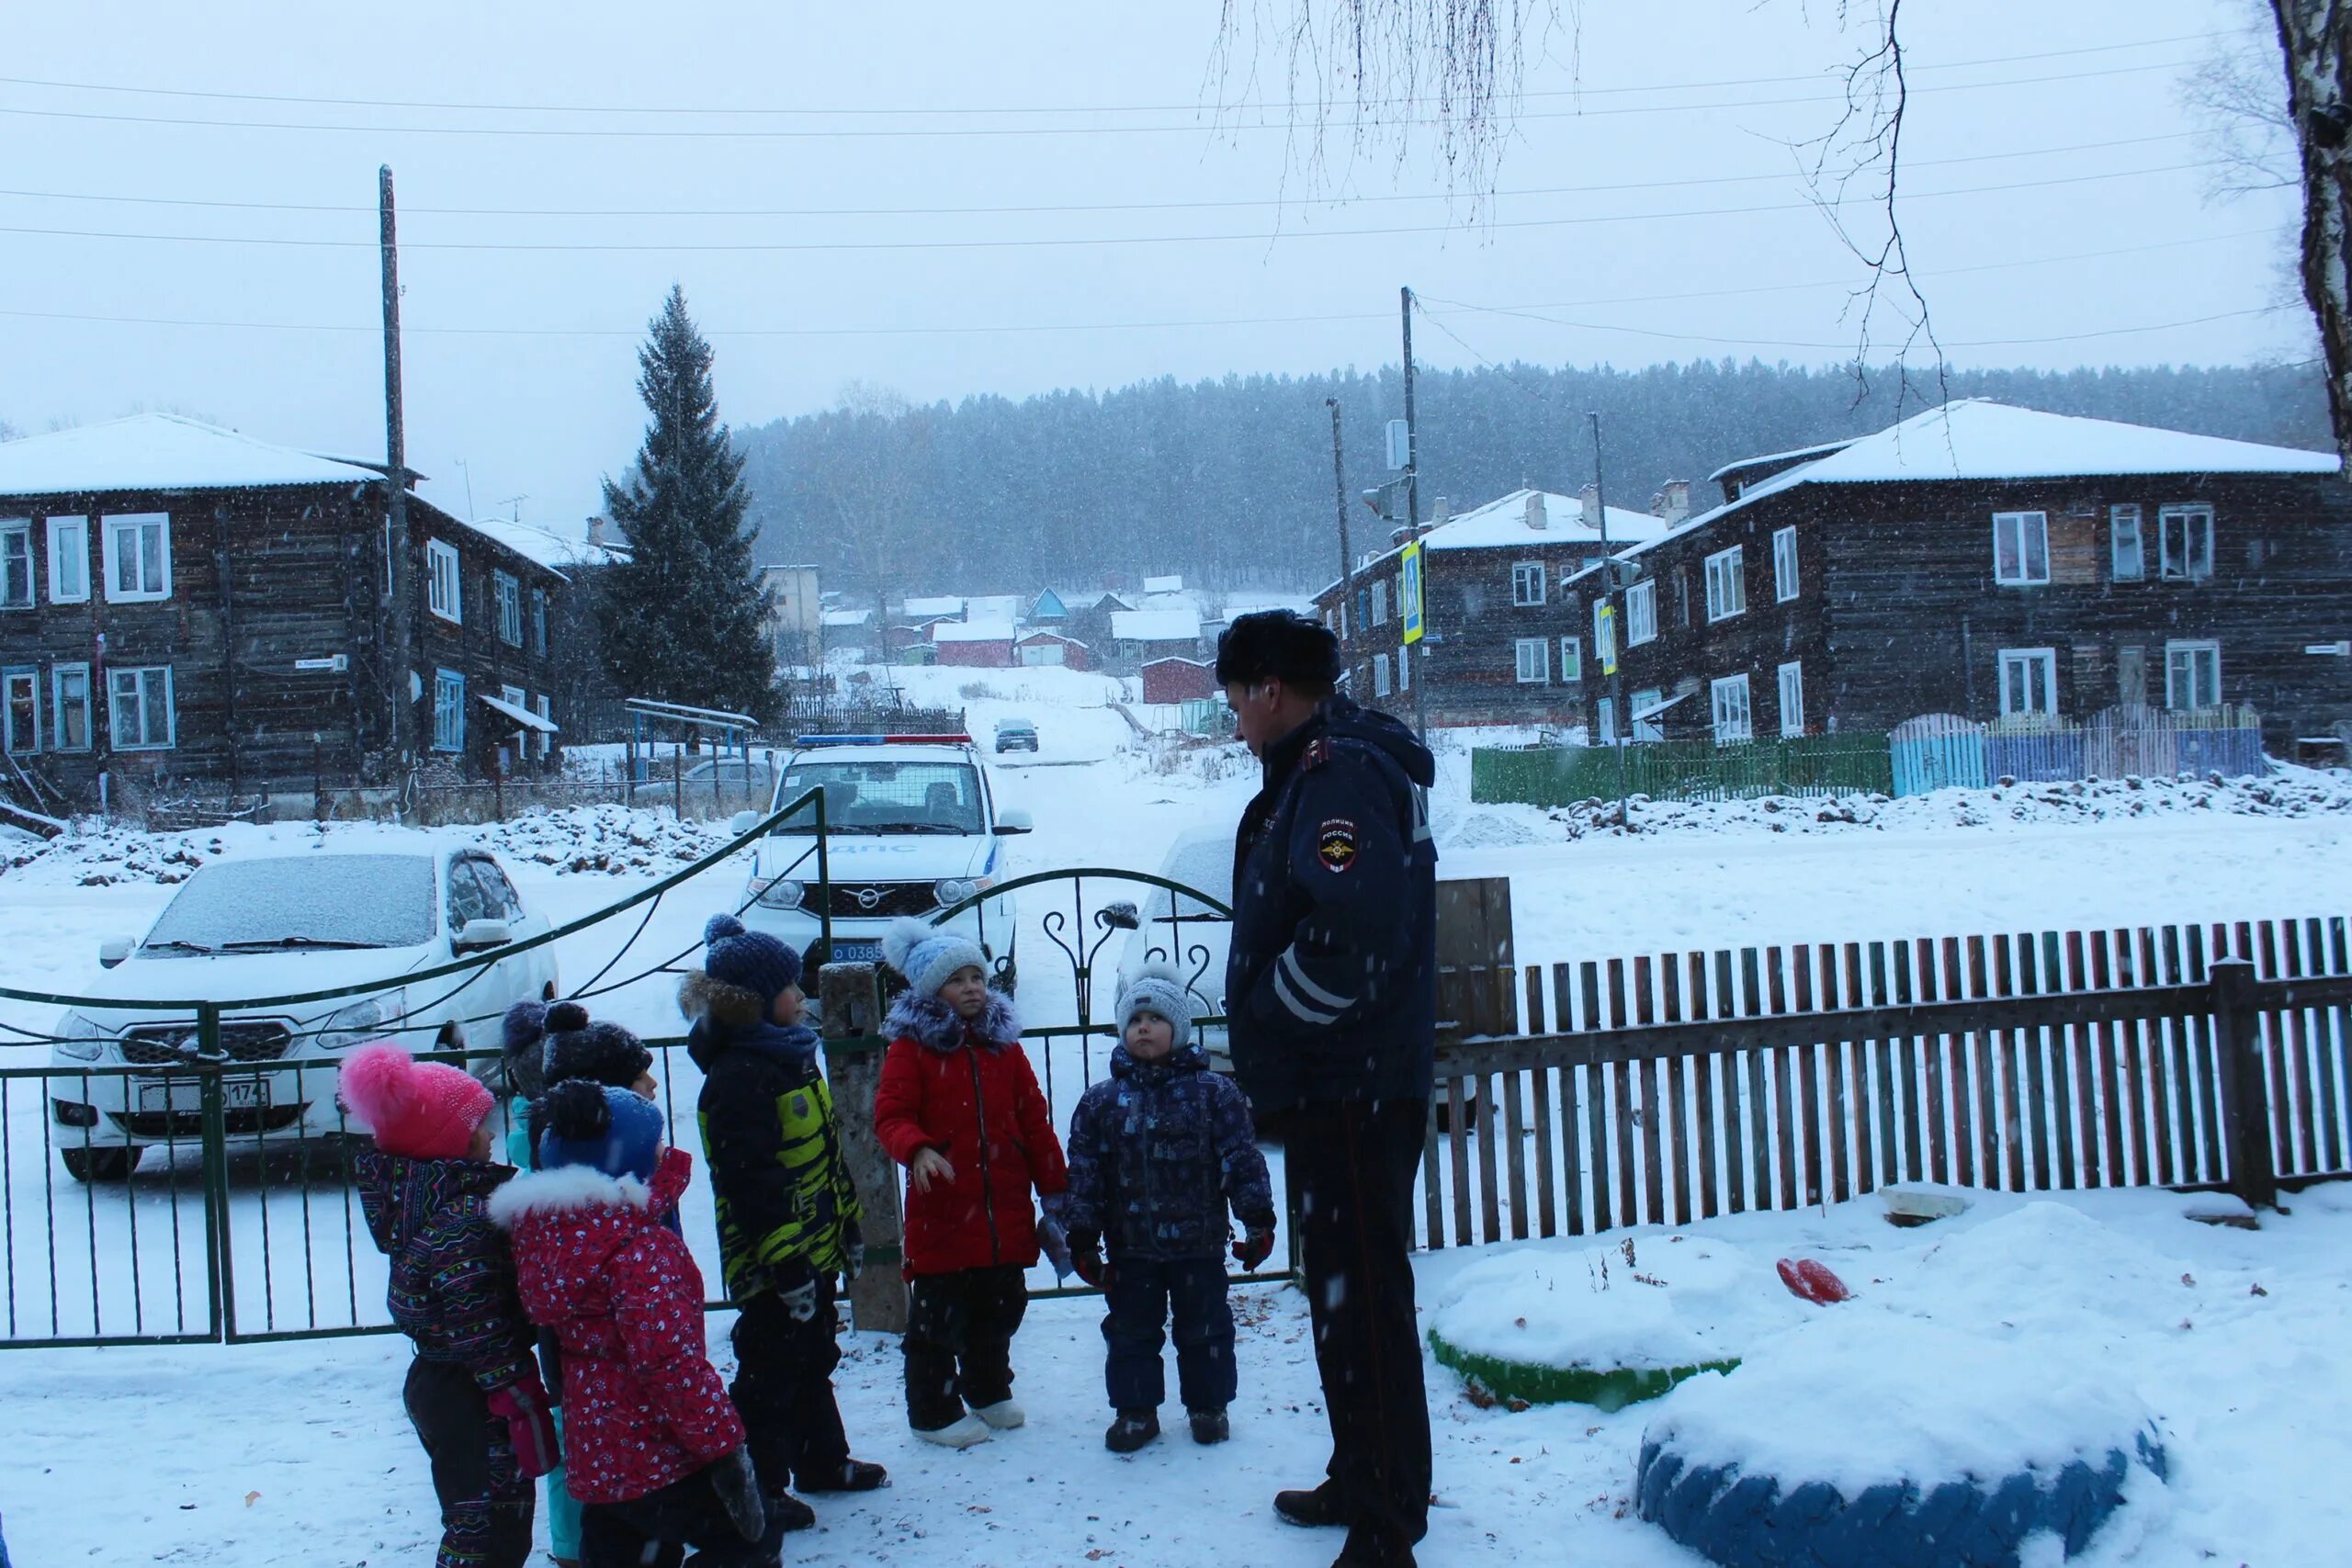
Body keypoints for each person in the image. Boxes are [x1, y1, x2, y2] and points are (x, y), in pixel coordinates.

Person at [1216, 609, 1438, 1568]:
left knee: (1366, 1302)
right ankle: (1361, 1477)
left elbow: (1350, 931)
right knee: (1343, 1297)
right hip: (1335, 1084)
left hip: (1351, 1083)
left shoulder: (1336, 773)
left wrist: (1268, 1011)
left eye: (1233, 694)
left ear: (1270, 688)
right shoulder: (1315, 765)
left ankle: (1389, 1519)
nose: (1229, 715)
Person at [491, 1079, 781, 1568]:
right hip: (658, 1452)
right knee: (750, 1542)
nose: (666, 1150)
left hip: (597, 1453)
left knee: (624, 1552)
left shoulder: (553, 1233)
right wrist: (724, 1447)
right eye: (657, 1143)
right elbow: (670, 1364)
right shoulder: (639, 1249)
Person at [681, 914, 888, 1527]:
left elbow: (826, 1153)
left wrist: (847, 1224)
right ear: (755, 1003)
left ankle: (822, 1460)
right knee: (770, 1371)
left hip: (815, 1247)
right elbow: (754, 1183)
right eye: (791, 989)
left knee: (813, 1355)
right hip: (774, 1263)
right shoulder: (737, 1078)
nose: (802, 998)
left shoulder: (792, 1055)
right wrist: (786, 1262)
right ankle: (758, 1486)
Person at [344, 1040, 556, 1568]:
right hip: (474, 1389)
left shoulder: (419, 1198)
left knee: (472, 1512)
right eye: (477, 1126)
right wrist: (515, 1389)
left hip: (438, 1378)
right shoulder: (463, 1218)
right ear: (448, 1142)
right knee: (488, 1525)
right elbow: (475, 1316)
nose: (489, 1136)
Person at [873, 917, 1071, 1449]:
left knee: (1001, 1307)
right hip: (943, 1213)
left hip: (1002, 1210)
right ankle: (933, 1411)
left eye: (977, 978)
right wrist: (917, 1149)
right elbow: (891, 1114)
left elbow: (1033, 1119)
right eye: (957, 979)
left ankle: (986, 1389)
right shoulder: (911, 1050)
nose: (972, 988)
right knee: (938, 1321)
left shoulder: (1003, 1047)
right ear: (932, 989)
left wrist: (1054, 1185)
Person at [1064, 964, 1277, 1454]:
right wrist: (1082, 1236)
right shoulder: (1102, 1102)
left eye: (1156, 1018)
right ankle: (1136, 1411)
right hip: (1130, 1245)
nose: (1144, 1026)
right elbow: (1084, 1173)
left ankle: (1209, 1406)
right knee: (1131, 1332)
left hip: (1198, 1243)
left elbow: (1241, 1160)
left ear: (1178, 1029)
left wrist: (1258, 1220)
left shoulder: (1214, 1094)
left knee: (1205, 1329)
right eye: (1135, 1018)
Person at [497, 1000, 584, 1568]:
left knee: (563, 1425)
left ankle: (570, 1543)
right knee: (582, 1421)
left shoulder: (525, 1144)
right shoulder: (572, 1143)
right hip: (581, 1315)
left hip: (553, 1318)